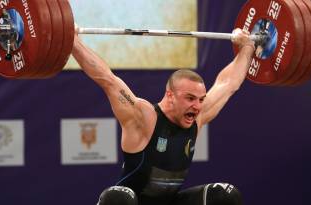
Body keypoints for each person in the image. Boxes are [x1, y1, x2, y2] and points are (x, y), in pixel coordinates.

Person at [71, 27, 255, 205]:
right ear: (170, 95)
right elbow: (107, 79)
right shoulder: (144, 118)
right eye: (190, 98)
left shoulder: (197, 118)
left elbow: (228, 83)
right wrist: (72, 41)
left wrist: (248, 46)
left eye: (201, 99)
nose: (197, 106)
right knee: (118, 199)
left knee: (225, 196)